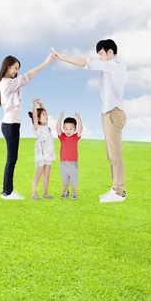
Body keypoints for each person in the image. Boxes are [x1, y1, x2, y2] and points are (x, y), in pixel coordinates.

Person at [51, 39, 127, 203]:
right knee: (111, 154)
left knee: (115, 154)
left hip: (114, 114)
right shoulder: (109, 68)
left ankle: (119, 191)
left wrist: (63, 57)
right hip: (108, 114)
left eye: (100, 53)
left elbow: (86, 62)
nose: (99, 57)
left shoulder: (114, 65)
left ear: (109, 52)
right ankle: (115, 189)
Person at [0, 53, 56, 200]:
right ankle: (7, 192)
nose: (16, 71)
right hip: (10, 125)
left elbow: (25, 79)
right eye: (15, 68)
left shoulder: (10, 82)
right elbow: (27, 77)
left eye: (18, 69)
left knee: (12, 159)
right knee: (11, 159)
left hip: (12, 125)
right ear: (7, 66)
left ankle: (8, 190)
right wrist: (45, 63)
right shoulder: (6, 83)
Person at [28, 99, 55, 200]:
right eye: (43, 115)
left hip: (48, 153)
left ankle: (45, 193)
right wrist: (35, 105)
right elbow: (34, 116)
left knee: (47, 174)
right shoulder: (37, 127)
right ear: (38, 119)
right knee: (38, 173)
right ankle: (34, 194)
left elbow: (46, 112)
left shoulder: (47, 127)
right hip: (40, 153)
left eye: (46, 115)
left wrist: (41, 104)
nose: (46, 116)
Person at [56, 111, 82, 199]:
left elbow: (80, 129)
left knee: (74, 179)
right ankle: (65, 191)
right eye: (66, 128)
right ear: (63, 128)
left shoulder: (75, 137)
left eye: (71, 129)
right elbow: (57, 128)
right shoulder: (62, 137)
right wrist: (60, 117)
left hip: (73, 164)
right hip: (63, 163)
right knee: (64, 179)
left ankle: (74, 193)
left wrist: (78, 118)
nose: (68, 131)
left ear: (75, 129)